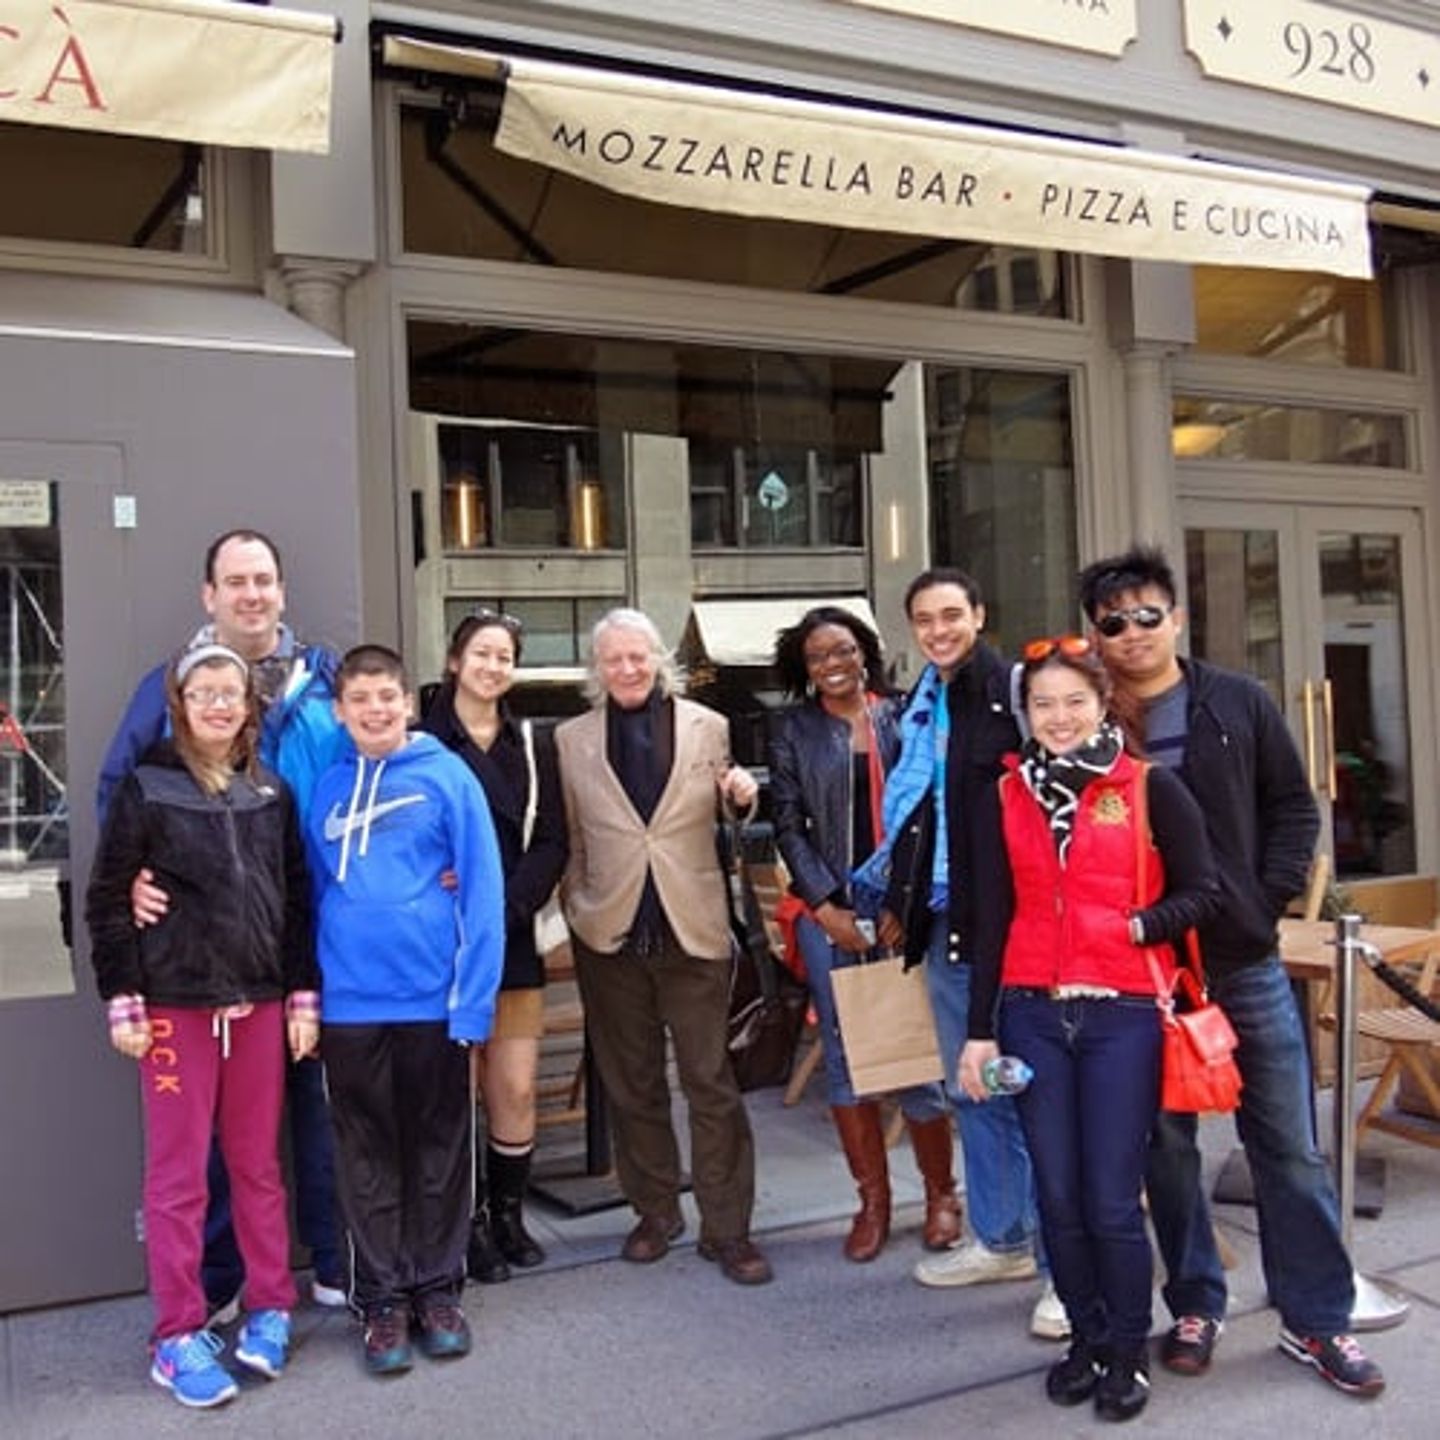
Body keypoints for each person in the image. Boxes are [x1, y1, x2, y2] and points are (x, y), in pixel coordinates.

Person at [1080, 544, 1386, 1399]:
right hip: (1143, 973)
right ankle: (1194, 1303)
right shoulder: (1088, 720)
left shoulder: (1237, 702)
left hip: (1241, 960)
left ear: (1176, 618)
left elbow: (1294, 805)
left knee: (1285, 1144)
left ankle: (1317, 1317)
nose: (1133, 631)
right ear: (1094, 635)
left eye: (1148, 614)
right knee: (1166, 1150)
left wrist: (1270, 894)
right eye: (1114, 620)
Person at [960, 636, 1221, 1422]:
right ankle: (1086, 1339)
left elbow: (1203, 891)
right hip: (1033, 1015)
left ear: (1103, 703)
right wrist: (980, 1032)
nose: (1060, 716)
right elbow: (991, 918)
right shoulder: (1002, 797)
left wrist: (1140, 927)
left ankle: (1128, 1351)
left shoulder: (1148, 787)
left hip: (1124, 1017)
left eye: (1075, 700)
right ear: (1024, 713)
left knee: (1110, 1199)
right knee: (1058, 1197)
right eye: (1043, 703)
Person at [96, 529, 350, 1314]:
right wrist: (131, 877)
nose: (251, 593)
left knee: (317, 1105)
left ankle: (333, 1260)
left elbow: (376, 755)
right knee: (204, 1142)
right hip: (202, 959)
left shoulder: (327, 677)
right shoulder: (168, 683)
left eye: (263, 579)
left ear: (281, 590)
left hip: (309, 927)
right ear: (209, 595)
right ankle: (218, 1283)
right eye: (234, 581)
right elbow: (120, 790)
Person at [86, 643, 318, 1409]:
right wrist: (123, 998)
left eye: (233, 693)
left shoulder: (270, 790)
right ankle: (177, 1333)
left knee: (257, 1166)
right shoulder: (148, 786)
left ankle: (271, 1304)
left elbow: (294, 904)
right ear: (181, 705)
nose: (220, 704)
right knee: (179, 1178)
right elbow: (109, 897)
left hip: (257, 1008)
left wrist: (300, 998)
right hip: (174, 1012)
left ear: (251, 707)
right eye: (205, 692)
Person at [853, 568, 1055, 1335]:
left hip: (1009, 925)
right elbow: (918, 816)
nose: (938, 630)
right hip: (944, 920)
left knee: (1023, 1087)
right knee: (972, 1087)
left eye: (951, 615)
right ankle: (1001, 1236)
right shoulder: (924, 702)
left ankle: (1058, 1263)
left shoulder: (1009, 692)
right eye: (924, 620)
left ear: (979, 614)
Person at [555, 608, 772, 1286]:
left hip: (692, 929)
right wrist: (577, 908)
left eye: (637, 656)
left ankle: (727, 1228)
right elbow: (569, 838)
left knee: (711, 1083)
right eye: (613, 659)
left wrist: (743, 797)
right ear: (598, 668)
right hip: (609, 935)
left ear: (658, 661)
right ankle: (655, 1212)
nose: (626, 668)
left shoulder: (710, 726)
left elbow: (731, 807)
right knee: (632, 1085)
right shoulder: (569, 739)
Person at [307, 644, 505, 1375]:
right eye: (360, 699)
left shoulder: (449, 779)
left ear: (408, 702)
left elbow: (482, 889)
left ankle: (438, 1291)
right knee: (365, 1155)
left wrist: (473, 1003)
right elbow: (312, 894)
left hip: (433, 999)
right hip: (350, 1006)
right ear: (341, 711)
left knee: (439, 1150)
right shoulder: (326, 788)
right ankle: (383, 1301)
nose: (375, 710)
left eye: (387, 696)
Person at [768, 606, 958, 1262]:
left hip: (908, 911)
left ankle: (941, 1196)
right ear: (804, 667)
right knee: (849, 1061)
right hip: (833, 915)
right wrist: (824, 908)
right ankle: (872, 1203)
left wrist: (906, 901)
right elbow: (787, 823)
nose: (834, 664)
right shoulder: (792, 730)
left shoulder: (905, 714)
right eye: (819, 656)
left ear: (865, 652)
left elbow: (929, 806)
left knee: (917, 1059)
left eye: (844, 650)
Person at [420, 610, 568, 1283]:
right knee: (454, 1089)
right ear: (454, 661)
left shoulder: (534, 744)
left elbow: (553, 841)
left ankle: (509, 1215)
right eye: (480, 653)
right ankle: (468, 1221)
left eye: (504, 656)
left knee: (513, 1086)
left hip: (509, 936)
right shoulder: (420, 741)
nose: (492, 666)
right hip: (439, 942)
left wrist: (506, 908)